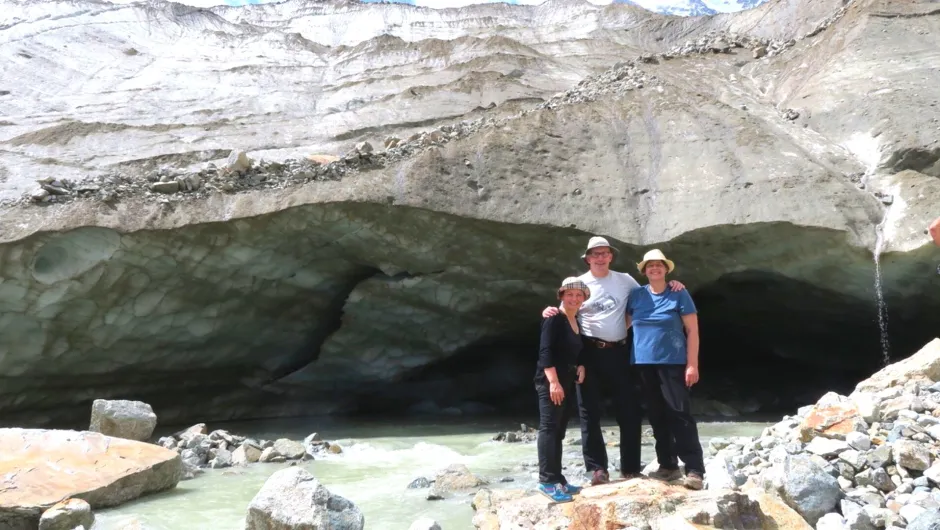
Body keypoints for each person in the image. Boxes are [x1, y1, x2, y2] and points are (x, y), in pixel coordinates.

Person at [542, 236, 685, 485]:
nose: (600, 257)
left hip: (620, 349)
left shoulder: (625, 280)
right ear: (587, 258)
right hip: (588, 352)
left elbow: (648, 295)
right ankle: (597, 469)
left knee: (629, 410)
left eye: (604, 253)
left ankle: (630, 468)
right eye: (595, 254)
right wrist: (549, 310)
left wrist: (671, 283)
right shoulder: (580, 283)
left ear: (611, 256)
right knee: (589, 412)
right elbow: (566, 312)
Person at [625, 249, 705, 490]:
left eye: (659, 265)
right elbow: (624, 324)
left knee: (680, 413)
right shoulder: (636, 295)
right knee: (656, 414)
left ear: (666, 269)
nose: (654, 269)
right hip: (642, 363)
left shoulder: (679, 294)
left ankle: (694, 469)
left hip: (673, 362)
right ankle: (667, 465)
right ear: (644, 271)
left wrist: (692, 364)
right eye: (650, 266)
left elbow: (692, 330)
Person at [534, 277, 590, 503]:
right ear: (561, 296)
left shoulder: (575, 319)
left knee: (559, 430)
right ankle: (546, 482)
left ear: (584, 299)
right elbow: (545, 352)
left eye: (579, 295)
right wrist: (554, 382)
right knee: (548, 428)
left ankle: (558, 479)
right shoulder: (554, 318)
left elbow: (574, 350)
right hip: (551, 381)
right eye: (569, 294)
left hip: (566, 380)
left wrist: (581, 365)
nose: (574, 298)